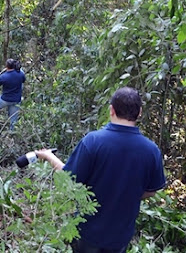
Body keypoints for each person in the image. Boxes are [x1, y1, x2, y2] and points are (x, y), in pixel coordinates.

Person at [35, 87, 166, 252]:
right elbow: (152, 190)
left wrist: (48, 156)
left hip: (88, 232)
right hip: (120, 237)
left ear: (111, 110)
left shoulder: (93, 142)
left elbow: (68, 179)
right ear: (139, 112)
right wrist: (126, 194)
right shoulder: (151, 150)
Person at [0, 59, 25, 130]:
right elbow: (23, 80)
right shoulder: (21, 74)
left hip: (5, 99)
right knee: (13, 117)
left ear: (6, 67)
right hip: (16, 100)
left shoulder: (4, 76)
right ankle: (11, 132)